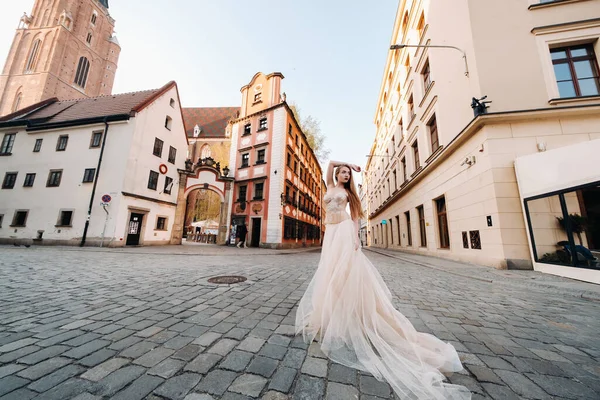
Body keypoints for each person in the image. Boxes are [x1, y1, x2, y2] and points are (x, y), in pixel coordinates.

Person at [295, 161, 471, 400]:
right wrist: (350, 163)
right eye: (343, 173)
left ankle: (352, 317)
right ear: (338, 174)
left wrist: (356, 239)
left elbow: (355, 219)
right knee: (329, 273)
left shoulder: (349, 194)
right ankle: (333, 315)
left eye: (348, 174)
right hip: (331, 234)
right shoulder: (328, 184)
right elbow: (330, 163)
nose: (346, 175)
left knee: (344, 274)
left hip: (345, 233)